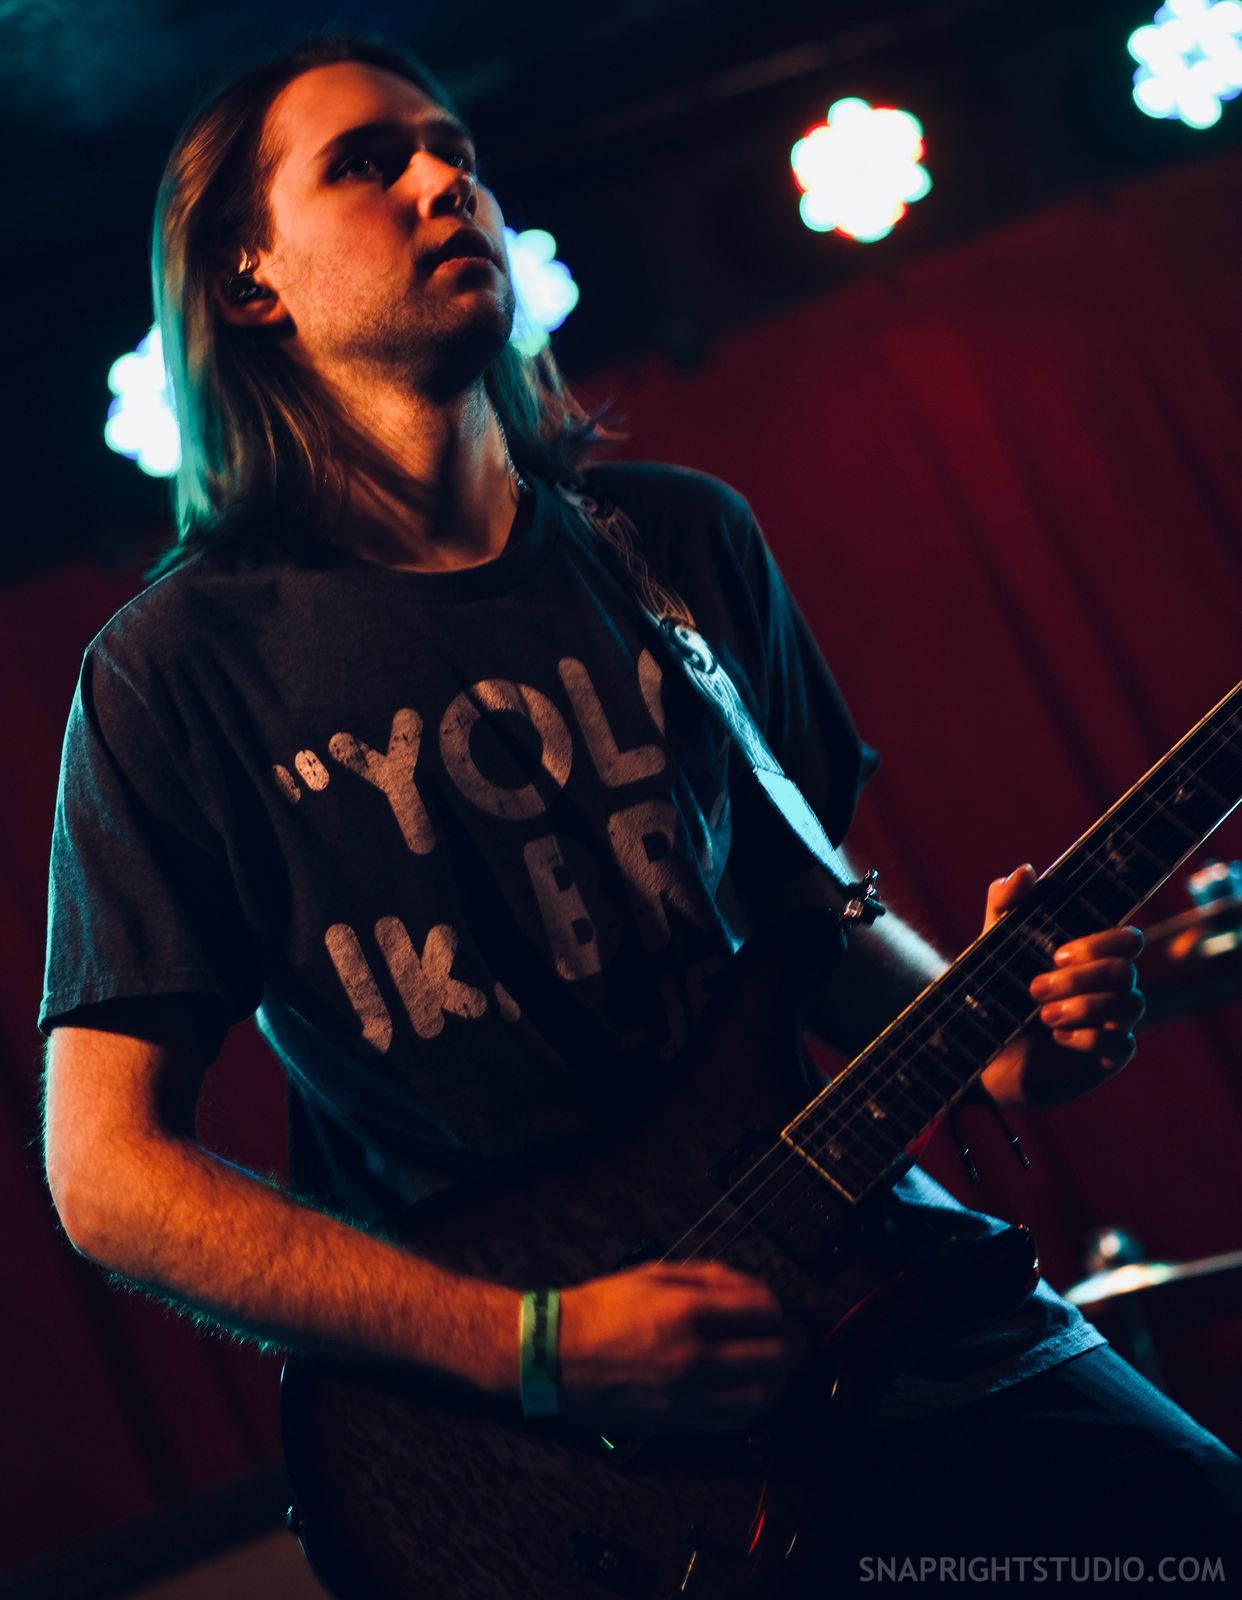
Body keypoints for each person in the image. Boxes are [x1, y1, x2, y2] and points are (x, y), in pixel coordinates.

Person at [39, 33, 1239, 1594]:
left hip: (890, 1298)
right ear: (247, 278)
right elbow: (110, 1175)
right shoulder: (177, 670)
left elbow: (807, 930)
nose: (442, 178)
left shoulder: (676, 546)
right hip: (543, 1451)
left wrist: (1000, 1032)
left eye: (453, 148)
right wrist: (532, 1345)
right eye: (368, 162)